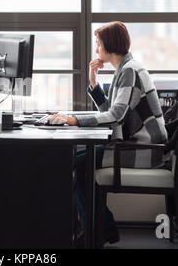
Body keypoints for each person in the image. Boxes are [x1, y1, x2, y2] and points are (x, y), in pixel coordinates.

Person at [47, 21, 168, 246]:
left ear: (108, 46)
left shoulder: (130, 71)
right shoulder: (125, 69)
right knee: (75, 163)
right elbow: (112, 113)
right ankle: (101, 228)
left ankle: (99, 229)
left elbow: (116, 116)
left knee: (79, 165)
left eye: (98, 44)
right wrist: (94, 83)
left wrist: (75, 120)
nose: (96, 50)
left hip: (143, 149)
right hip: (133, 145)